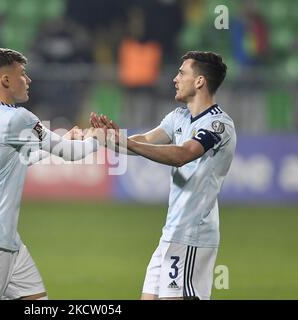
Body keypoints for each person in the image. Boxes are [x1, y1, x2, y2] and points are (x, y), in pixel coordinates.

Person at [90, 51, 236, 300]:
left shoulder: (217, 125)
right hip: (171, 233)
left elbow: (182, 154)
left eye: (182, 73)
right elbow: (146, 140)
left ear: (199, 81)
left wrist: (126, 143)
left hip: (193, 235)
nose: (174, 79)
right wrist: (112, 140)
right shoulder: (179, 116)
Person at [0, 47, 99, 300]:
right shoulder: (17, 118)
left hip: (5, 238)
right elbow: (71, 153)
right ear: (6, 80)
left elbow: (19, 158)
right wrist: (101, 139)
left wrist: (64, 139)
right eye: (22, 73)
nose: (28, 79)